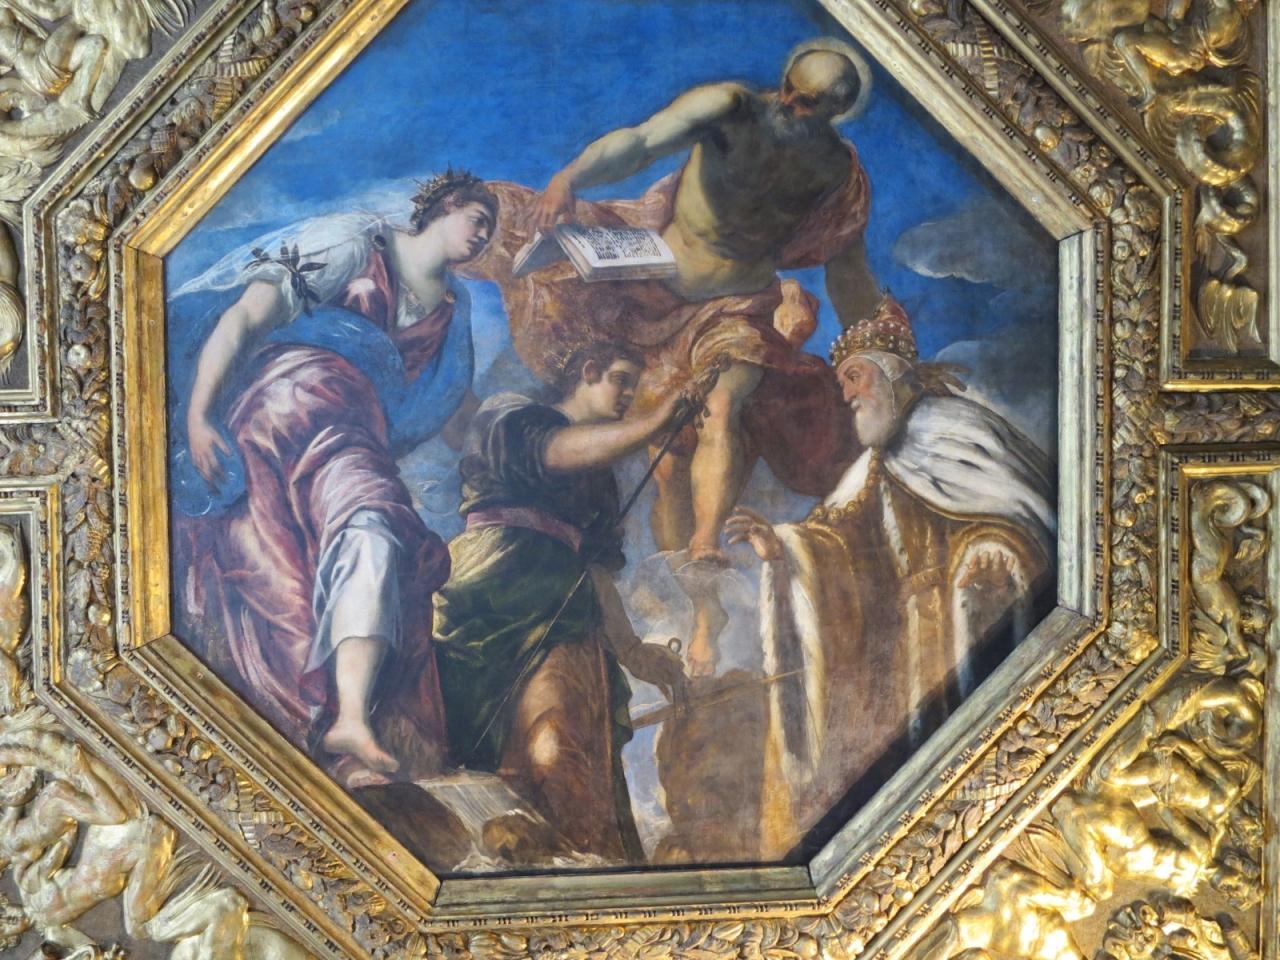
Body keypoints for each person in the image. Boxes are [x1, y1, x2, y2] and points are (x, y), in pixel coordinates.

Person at [460, 40, 892, 675]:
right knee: (666, 463)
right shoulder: (729, 108)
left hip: (735, 306)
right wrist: (569, 178)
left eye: (808, 106)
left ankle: (706, 544)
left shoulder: (836, 174)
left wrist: (880, 347)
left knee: (722, 403)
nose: (790, 108)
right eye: (789, 92)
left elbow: (848, 268)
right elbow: (641, 142)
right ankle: (697, 611)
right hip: (650, 288)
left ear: (834, 112)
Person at [175, 170, 497, 788]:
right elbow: (245, 318)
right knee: (276, 573)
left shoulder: (452, 315)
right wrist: (198, 414)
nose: (483, 236)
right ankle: (325, 732)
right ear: (445, 205)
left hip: (351, 435)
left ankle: (348, 721)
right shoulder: (355, 244)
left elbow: (456, 412)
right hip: (279, 413)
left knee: (372, 531)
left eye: (490, 230)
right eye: (478, 219)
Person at [726, 300, 1055, 858]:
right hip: (902, 650)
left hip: (960, 621)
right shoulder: (872, 468)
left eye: (854, 378)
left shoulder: (955, 431)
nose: (846, 396)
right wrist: (781, 549)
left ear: (891, 374)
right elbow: (838, 543)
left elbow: (1022, 516)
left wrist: (991, 548)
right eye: (842, 384)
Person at [433, 341, 690, 862]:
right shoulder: (514, 416)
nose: (628, 396)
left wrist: (632, 650)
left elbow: (596, 569)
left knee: (559, 752)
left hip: (561, 610)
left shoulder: (600, 480)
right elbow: (554, 452)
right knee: (458, 756)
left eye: (634, 387)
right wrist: (655, 422)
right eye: (621, 380)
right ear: (588, 370)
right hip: (483, 597)